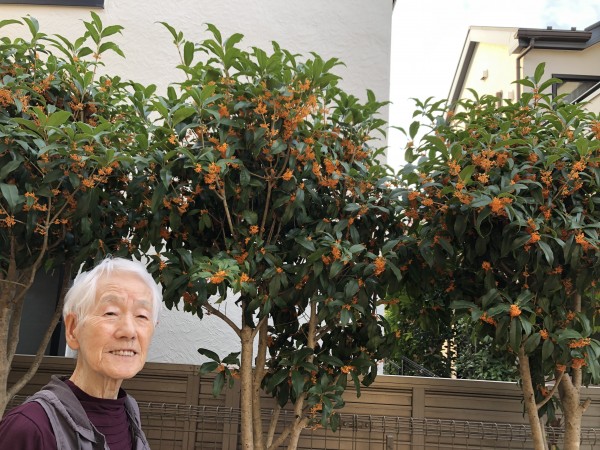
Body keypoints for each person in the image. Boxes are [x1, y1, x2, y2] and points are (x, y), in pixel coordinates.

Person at [0, 257, 161, 450]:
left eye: (142, 316)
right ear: (72, 329)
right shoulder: (31, 428)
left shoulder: (130, 415)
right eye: (111, 313)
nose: (128, 331)